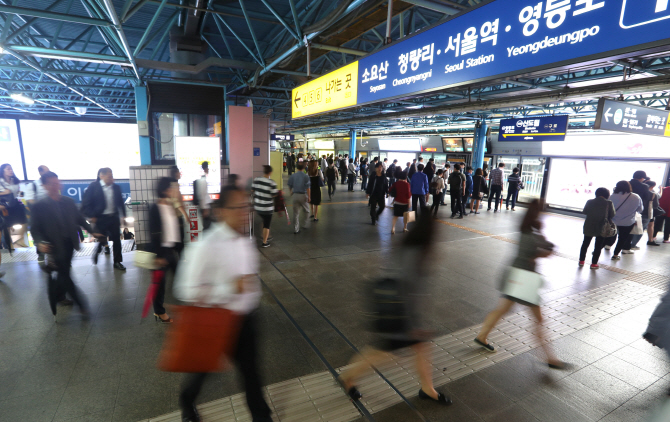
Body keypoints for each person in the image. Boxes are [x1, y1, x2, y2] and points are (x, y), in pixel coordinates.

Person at [174, 185, 273, 422]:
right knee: (202, 371)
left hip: (246, 320)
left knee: (251, 374)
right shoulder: (205, 245)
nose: (244, 212)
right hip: (215, 320)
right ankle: (187, 401)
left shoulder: (246, 240)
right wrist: (228, 288)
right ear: (220, 211)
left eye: (247, 207)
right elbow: (184, 289)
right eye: (237, 207)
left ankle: (262, 416)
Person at [337, 213, 452, 407]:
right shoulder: (417, 254)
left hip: (394, 305)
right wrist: (415, 325)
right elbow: (409, 291)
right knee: (383, 352)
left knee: (420, 347)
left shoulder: (408, 245)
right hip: (399, 311)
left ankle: (427, 388)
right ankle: (348, 376)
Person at [474, 200, 566, 369]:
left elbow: (541, 249)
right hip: (524, 280)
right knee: (538, 319)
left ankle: (482, 336)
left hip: (516, 275)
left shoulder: (526, 228)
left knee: (502, 309)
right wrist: (544, 249)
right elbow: (543, 251)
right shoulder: (531, 233)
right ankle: (550, 358)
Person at [32, 171, 102, 319]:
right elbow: (35, 229)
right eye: (52, 183)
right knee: (65, 274)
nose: (56, 186)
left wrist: (92, 232)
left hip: (69, 243)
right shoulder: (39, 206)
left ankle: (58, 296)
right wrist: (40, 243)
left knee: (64, 271)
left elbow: (80, 219)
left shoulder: (68, 201)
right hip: (53, 246)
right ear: (44, 186)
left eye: (57, 182)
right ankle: (81, 305)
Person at [149, 177, 182, 323]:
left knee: (180, 278)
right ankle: (159, 312)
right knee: (159, 285)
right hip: (161, 253)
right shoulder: (155, 208)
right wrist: (158, 255)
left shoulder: (170, 206)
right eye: (170, 188)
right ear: (164, 190)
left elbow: (174, 229)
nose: (173, 190)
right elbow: (154, 233)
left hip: (170, 250)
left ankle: (190, 306)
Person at [81, 167, 126, 270]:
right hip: (100, 217)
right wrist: (92, 216)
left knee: (116, 240)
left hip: (113, 217)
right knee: (102, 238)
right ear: (101, 176)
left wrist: (123, 215)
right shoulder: (94, 187)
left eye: (112, 176)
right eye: (109, 176)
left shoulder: (116, 187)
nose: (111, 178)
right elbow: (86, 203)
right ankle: (97, 251)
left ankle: (117, 262)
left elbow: (120, 202)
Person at [579, 188, 615, 269]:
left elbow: (585, 211)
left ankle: (581, 261)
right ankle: (594, 264)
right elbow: (612, 214)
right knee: (598, 245)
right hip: (602, 226)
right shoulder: (608, 203)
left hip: (589, 225)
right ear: (607, 194)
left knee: (585, 244)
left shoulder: (590, 201)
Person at [606, 181, 643, 260]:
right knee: (622, 238)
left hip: (613, 220)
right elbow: (640, 209)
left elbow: (607, 209)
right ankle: (615, 255)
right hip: (628, 222)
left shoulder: (612, 196)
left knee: (611, 235)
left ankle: (604, 247)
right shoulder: (636, 197)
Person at [0, 163, 28, 251]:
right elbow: (6, 193)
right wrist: (5, 193)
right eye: (8, 169)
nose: (10, 170)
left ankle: (19, 240)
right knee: (7, 225)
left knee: (24, 220)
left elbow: (17, 192)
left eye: (11, 169)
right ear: (3, 171)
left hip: (14, 203)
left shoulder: (15, 181)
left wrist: (20, 193)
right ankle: (9, 244)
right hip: (4, 205)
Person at [251, 165, 278, 248]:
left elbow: (252, 190)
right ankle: (264, 242)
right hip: (267, 208)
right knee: (266, 225)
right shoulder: (272, 183)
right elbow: (274, 194)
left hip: (258, 206)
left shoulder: (257, 180)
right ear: (270, 172)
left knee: (262, 221)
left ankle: (264, 235)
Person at [629, 171, 652, 249]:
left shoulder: (627, 184)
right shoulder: (644, 186)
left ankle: (623, 244)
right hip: (638, 211)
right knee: (638, 229)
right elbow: (646, 198)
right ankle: (632, 245)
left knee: (625, 229)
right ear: (642, 178)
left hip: (625, 210)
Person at [288, 162, 311, 234]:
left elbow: (289, 185)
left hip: (295, 195)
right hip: (303, 195)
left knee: (296, 213)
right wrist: (309, 196)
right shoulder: (306, 176)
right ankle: (305, 224)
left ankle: (296, 229)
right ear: (304, 168)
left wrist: (291, 192)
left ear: (297, 167)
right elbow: (308, 188)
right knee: (307, 211)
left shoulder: (293, 176)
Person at [194, 161, 213, 230]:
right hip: (204, 207)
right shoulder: (203, 179)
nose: (209, 170)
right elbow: (201, 195)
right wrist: (205, 209)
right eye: (208, 168)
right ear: (206, 168)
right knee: (207, 227)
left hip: (204, 206)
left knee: (207, 226)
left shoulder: (203, 178)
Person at [646, 181, 662, 245]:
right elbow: (659, 196)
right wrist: (660, 189)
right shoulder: (653, 193)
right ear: (653, 186)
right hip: (649, 211)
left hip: (640, 211)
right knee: (651, 225)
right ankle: (650, 240)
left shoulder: (641, 191)